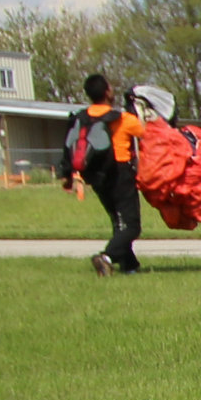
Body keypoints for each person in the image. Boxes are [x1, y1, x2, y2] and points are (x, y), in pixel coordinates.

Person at [62, 74, 144, 276]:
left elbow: (68, 146)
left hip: (96, 176)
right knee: (132, 226)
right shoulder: (123, 119)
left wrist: (68, 176)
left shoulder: (81, 118)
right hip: (120, 173)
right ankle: (106, 258)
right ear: (107, 92)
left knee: (118, 221)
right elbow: (149, 133)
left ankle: (129, 266)